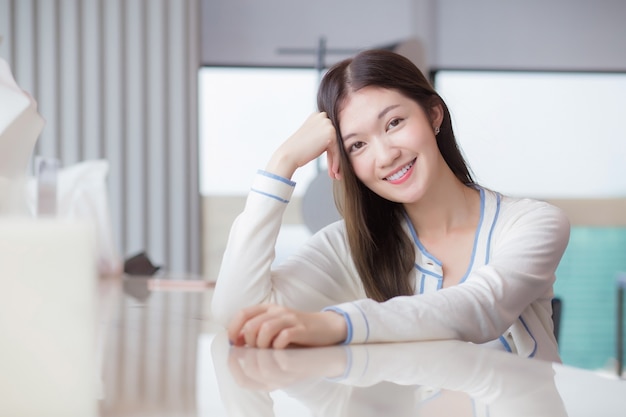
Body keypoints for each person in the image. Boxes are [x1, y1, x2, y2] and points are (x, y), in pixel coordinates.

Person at [211, 49, 570, 362]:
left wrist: (337, 324)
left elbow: (481, 308)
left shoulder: (532, 223)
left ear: (433, 114)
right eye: (357, 145)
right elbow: (239, 313)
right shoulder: (353, 246)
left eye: (394, 123)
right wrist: (282, 161)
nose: (386, 155)